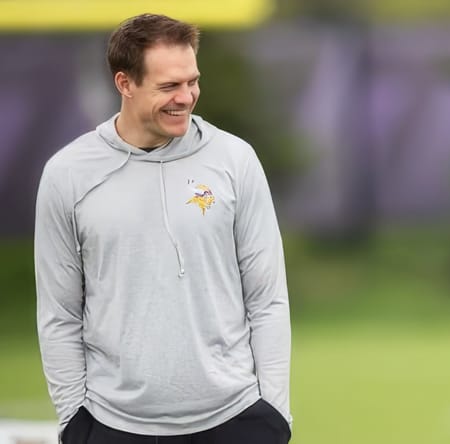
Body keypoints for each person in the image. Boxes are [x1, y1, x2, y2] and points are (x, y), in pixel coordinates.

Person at [34, 13, 292, 444]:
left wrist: (275, 412)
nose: (186, 97)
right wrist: (74, 423)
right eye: (169, 86)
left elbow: (267, 298)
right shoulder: (67, 175)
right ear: (125, 83)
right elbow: (59, 315)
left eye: (192, 81)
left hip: (238, 420)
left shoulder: (235, 159)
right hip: (114, 426)